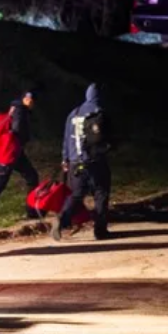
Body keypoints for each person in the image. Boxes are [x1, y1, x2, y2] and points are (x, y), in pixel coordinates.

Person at [54, 83, 114, 241]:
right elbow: (108, 138)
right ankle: (100, 230)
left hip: (75, 161)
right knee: (101, 193)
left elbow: (66, 138)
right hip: (95, 161)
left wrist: (65, 158)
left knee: (76, 194)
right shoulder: (99, 112)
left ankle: (62, 219)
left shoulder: (73, 113)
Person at [0, 91, 40, 225]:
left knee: (32, 177)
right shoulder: (20, 110)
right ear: (24, 99)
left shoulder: (17, 108)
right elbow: (17, 129)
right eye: (29, 99)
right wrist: (22, 138)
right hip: (9, 152)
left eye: (32, 100)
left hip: (14, 151)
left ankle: (32, 212)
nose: (31, 102)